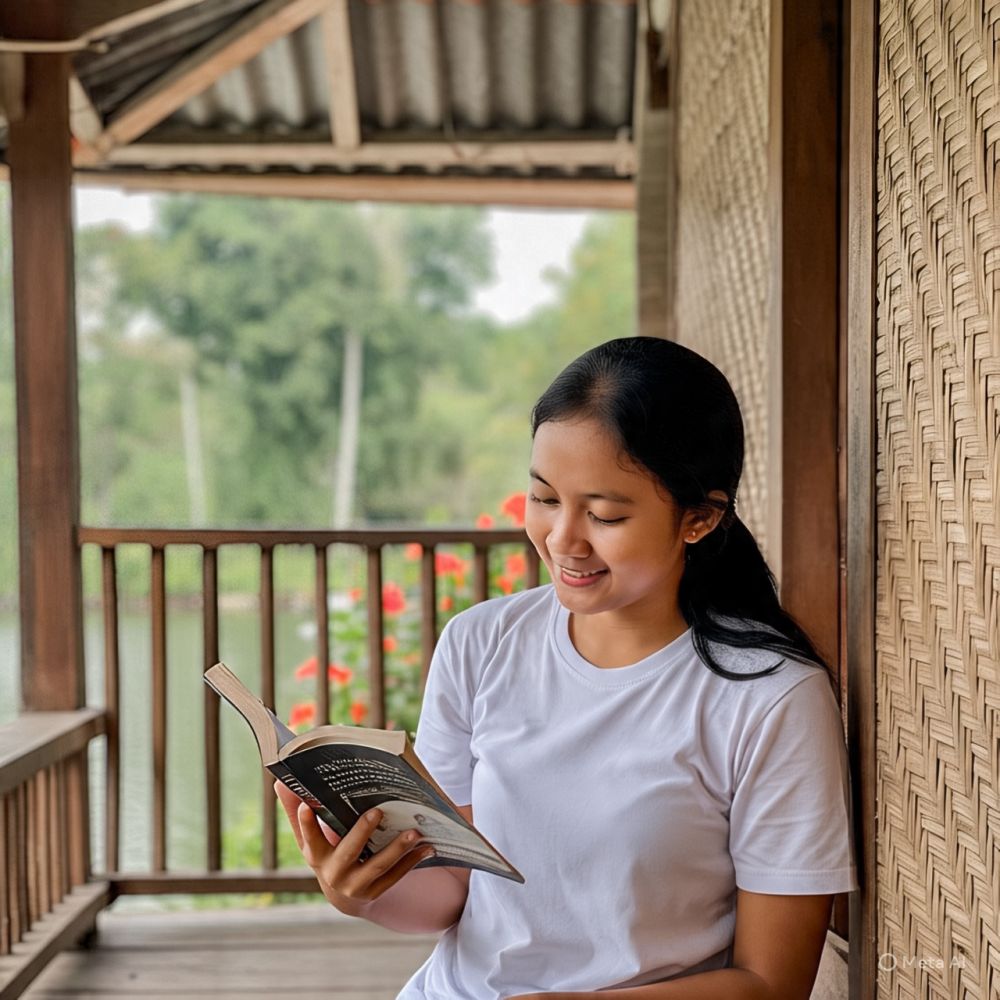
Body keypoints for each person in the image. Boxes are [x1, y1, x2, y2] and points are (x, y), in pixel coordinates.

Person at [275, 337, 858, 999]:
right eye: (545, 499)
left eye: (605, 514)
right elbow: (452, 893)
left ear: (699, 518)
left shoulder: (769, 699)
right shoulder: (480, 643)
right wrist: (358, 892)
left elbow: (769, 983)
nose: (562, 540)